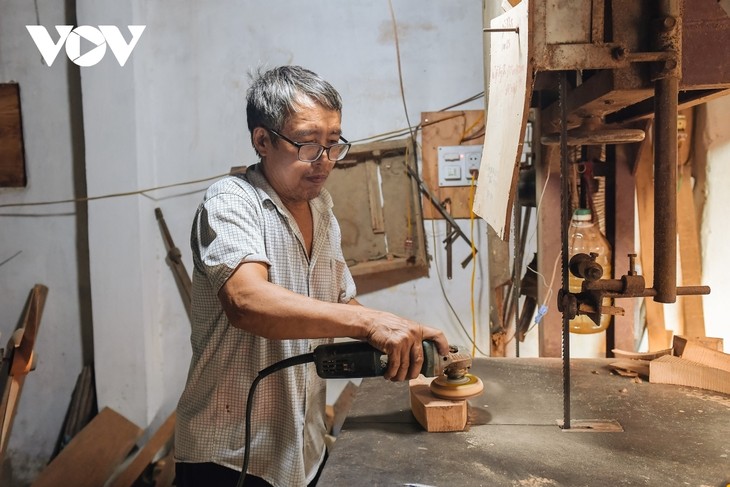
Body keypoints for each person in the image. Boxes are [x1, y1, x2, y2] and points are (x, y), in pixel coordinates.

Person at [174, 65, 449, 487]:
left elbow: (338, 303)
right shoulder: (231, 201)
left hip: (302, 445)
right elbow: (247, 303)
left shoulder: (322, 210)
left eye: (333, 143)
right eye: (308, 144)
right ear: (262, 140)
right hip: (231, 455)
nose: (324, 161)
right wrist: (369, 323)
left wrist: (402, 330)